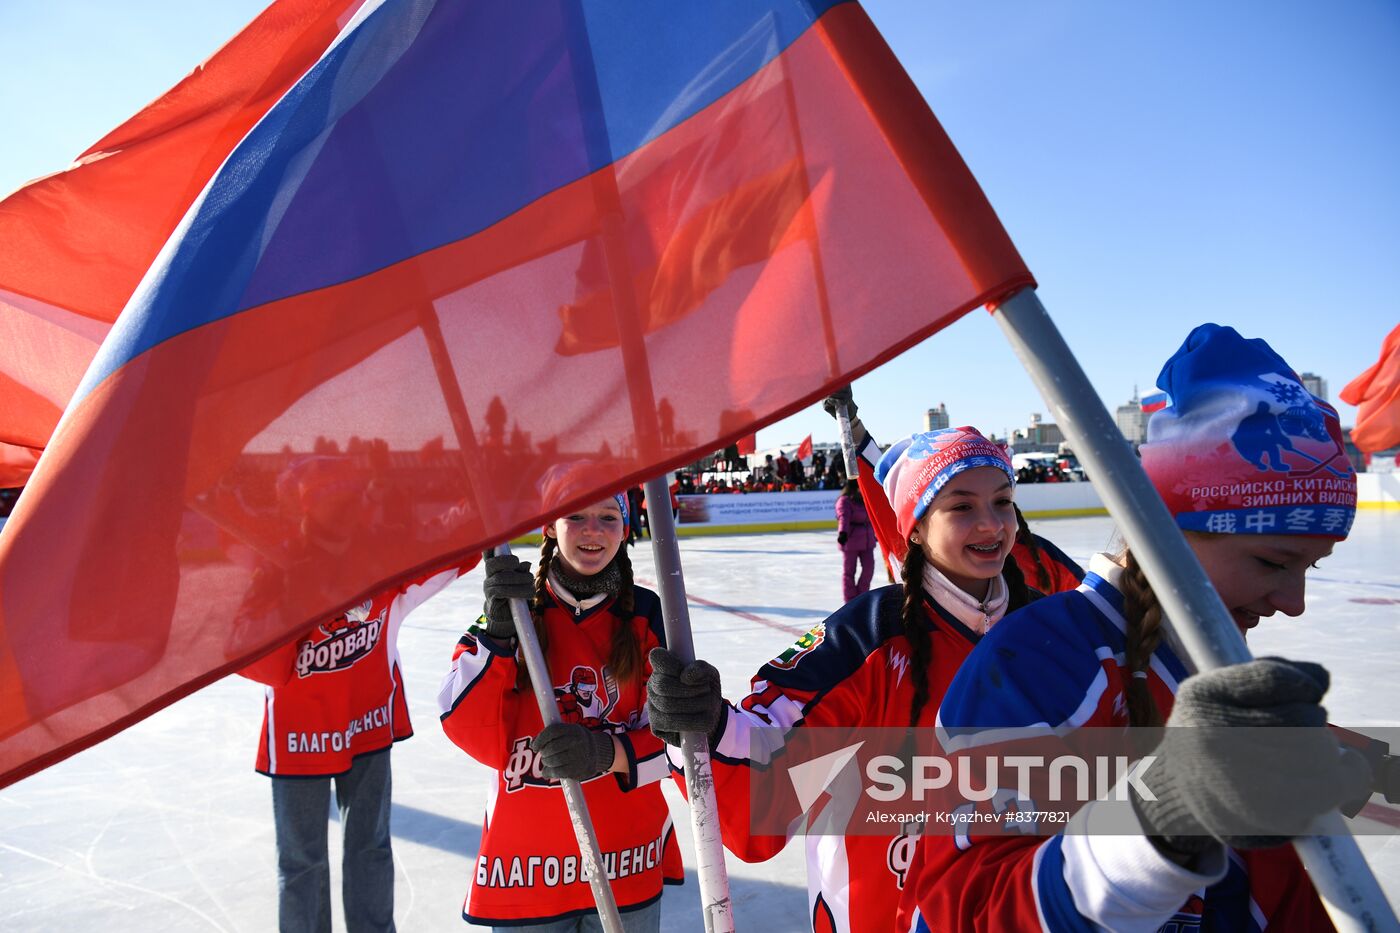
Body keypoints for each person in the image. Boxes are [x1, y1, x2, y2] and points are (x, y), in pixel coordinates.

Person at [899, 324, 1373, 931]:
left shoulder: (1227, 691)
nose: (1295, 602)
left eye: (1311, 566)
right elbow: (967, 912)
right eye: (1273, 562)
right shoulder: (1036, 666)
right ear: (1164, 530)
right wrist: (1164, 818)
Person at [646, 426, 1040, 931]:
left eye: (1003, 501)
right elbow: (767, 767)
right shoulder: (867, 637)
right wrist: (706, 724)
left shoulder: (1047, 630)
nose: (990, 523)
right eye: (961, 506)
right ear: (915, 528)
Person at [438, 469, 682, 930]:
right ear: (550, 526)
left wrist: (607, 754)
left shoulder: (650, 615)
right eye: (576, 516)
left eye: (608, 517)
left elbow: (681, 744)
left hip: (626, 861)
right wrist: (498, 639)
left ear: (625, 528)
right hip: (524, 870)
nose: (593, 531)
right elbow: (467, 729)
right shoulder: (513, 612)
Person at [238, 457, 467, 933]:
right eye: (334, 502)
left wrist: (485, 506)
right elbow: (254, 658)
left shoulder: (381, 565)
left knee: (369, 848)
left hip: (367, 727)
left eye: (350, 500)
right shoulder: (278, 572)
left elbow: (450, 549)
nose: (347, 511)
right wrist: (289, 604)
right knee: (301, 862)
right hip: (298, 739)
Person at [835, 479, 876, 601]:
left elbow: (874, 516)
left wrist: (878, 534)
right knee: (849, 572)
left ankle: (862, 597)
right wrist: (843, 532)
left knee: (869, 569)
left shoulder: (865, 498)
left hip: (867, 539)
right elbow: (843, 517)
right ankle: (850, 600)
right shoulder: (845, 500)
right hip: (851, 540)